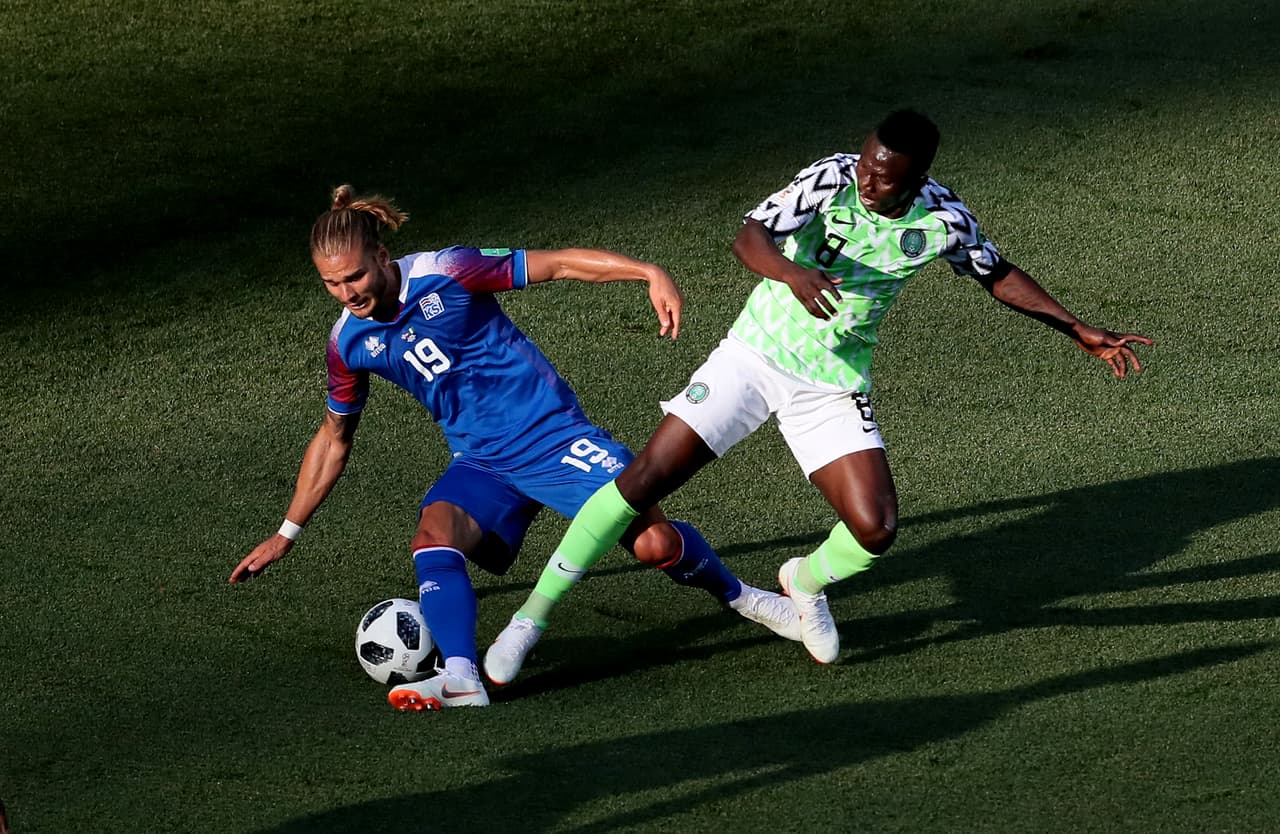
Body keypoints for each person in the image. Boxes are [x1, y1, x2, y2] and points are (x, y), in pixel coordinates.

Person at [484, 109, 1153, 678]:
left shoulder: (944, 219)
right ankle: (530, 618)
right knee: (642, 481)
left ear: (915, 180)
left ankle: (802, 583)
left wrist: (1076, 328)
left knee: (875, 528)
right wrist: (793, 274)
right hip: (753, 358)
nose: (866, 179)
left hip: (831, 384)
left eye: (882, 175)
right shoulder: (830, 178)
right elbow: (750, 238)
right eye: (866, 163)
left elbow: (997, 273)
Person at [228, 185, 801, 710]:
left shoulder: (447, 271)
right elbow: (334, 438)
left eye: (353, 276)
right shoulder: (348, 343)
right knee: (434, 533)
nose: (345, 293)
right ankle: (460, 675)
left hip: (557, 440)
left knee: (654, 543)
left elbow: (555, 264)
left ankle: (749, 599)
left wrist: (646, 271)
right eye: (331, 283)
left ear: (381, 256)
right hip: (482, 461)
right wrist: (286, 533)